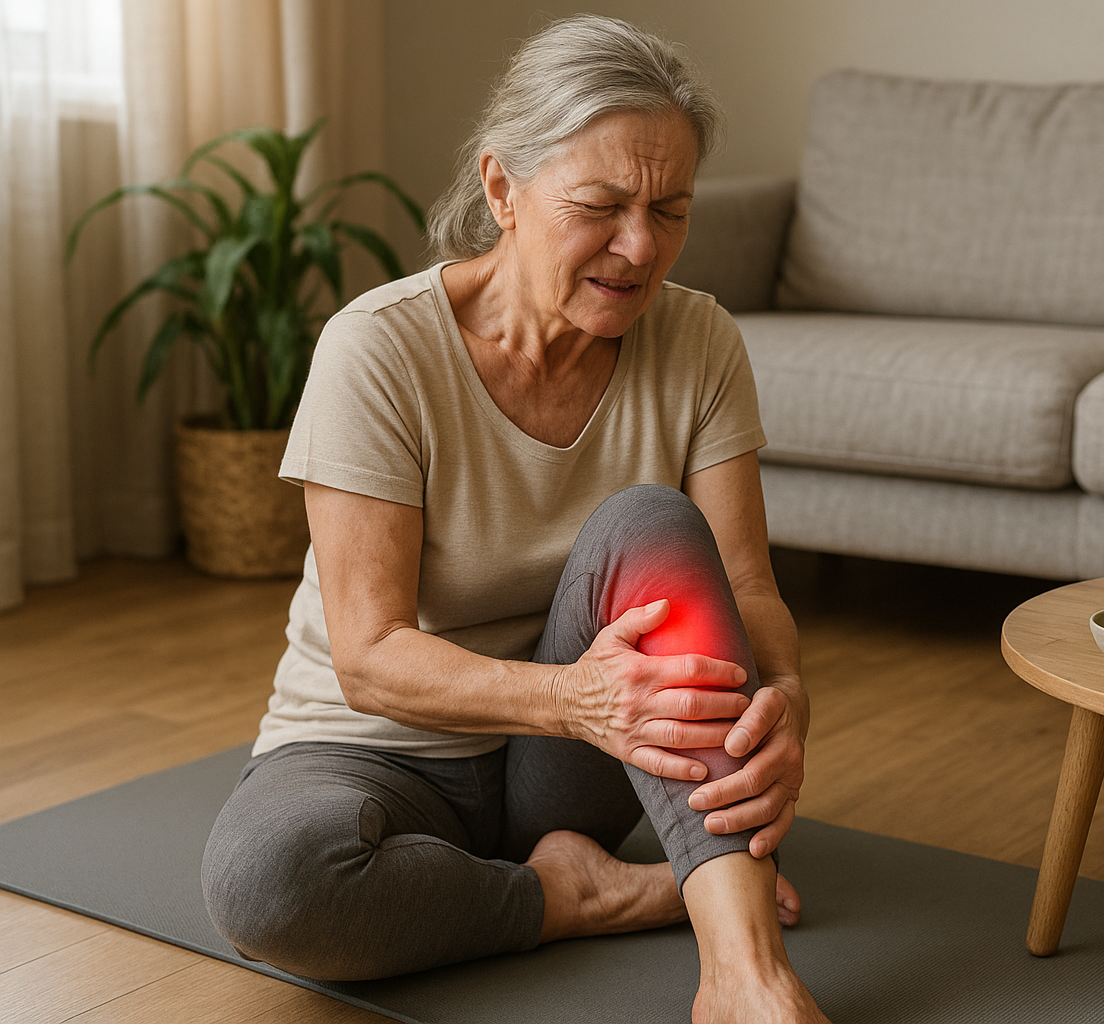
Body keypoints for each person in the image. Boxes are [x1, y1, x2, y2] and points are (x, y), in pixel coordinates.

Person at [200, 15, 831, 1024]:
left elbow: (747, 585)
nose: (641, 247)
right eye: (602, 206)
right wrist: (576, 701)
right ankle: (575, 895)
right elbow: (368, 655)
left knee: (650, 520)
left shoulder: (700, 338)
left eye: (671, 210)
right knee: (267, 885)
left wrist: (788, 693)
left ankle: (745, 978)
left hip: (576, 765)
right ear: (502, 190)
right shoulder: (377, 351)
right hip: (376, 746)